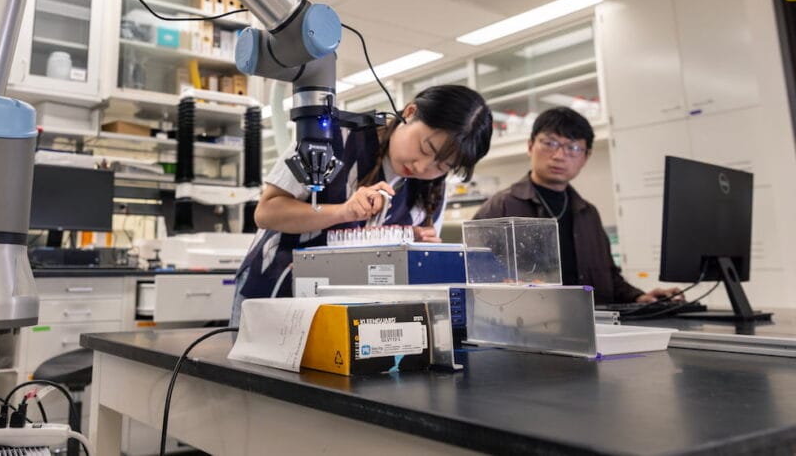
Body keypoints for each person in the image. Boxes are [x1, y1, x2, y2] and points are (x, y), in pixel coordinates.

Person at [231, 85, 493, 323]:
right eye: (425, 149)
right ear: (410, 112)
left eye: (442, 165)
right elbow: (266, 212)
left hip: (353, 311)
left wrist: (415, 249)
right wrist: (343, 212)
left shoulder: (432, 188)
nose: (423, 167)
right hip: (274, 290)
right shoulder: (331, 136)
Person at [473, 107, 681, 305]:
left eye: (572, 148)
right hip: (527, 330)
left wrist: (640, 297)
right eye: (549, 143)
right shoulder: (500, 208)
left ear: (586, 157)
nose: (559, 156)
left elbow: (609, 278)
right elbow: (474, 278)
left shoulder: (587, 214)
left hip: (594, 327)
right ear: (530, 146)